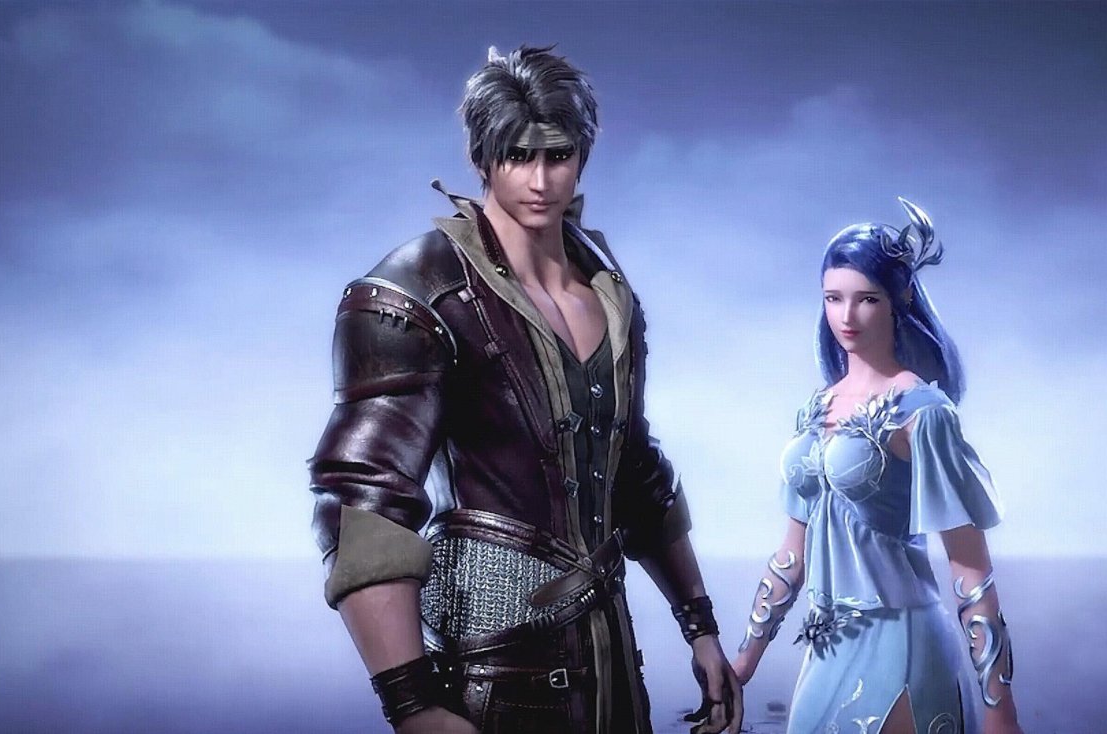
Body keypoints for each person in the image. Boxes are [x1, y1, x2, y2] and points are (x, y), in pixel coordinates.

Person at [306, 45, 742, 734]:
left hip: (611, 666)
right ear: (483, 159)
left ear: (582, 156)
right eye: (517, 156)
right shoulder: (415, 293)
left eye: (557, 155)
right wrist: (412, 705)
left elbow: (632, 468)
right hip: (494, 677)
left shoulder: (608, 288)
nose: (540, 180)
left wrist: (699, 625)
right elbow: (364, 507)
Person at [729, 200, 1023, 734]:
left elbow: (970, 568)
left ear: (899, 298)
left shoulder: (924, 412)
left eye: (866, 298)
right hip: (826, 649)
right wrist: (741, 665)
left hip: (903, 643)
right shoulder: (815, 409)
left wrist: (1000, 711)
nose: (846, 316)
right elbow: (792, 556)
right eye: (833, 298)